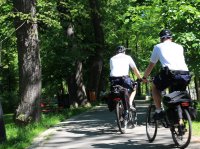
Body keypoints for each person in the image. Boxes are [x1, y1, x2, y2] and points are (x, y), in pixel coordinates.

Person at [143, 29, 191, 120]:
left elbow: (151, 65)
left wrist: (144, 77)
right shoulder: (180, 46)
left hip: (170, 74)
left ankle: (158, 110)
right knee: (178, 94)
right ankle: (179, 119)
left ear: (161, 39)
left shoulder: (158, 47)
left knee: (154, 86)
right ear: (171, 38)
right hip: (185, 74)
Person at [109, 45, 143, 112]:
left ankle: (119, 107)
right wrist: (140, 78)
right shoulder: (128, 57)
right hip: (124, 79)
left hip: (113, 79)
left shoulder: (112, 58)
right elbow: (134, 69)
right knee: (134, 88)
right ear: (124, 52)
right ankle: (129, 104)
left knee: (116, 91)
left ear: (116, 52)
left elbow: (111, 69)